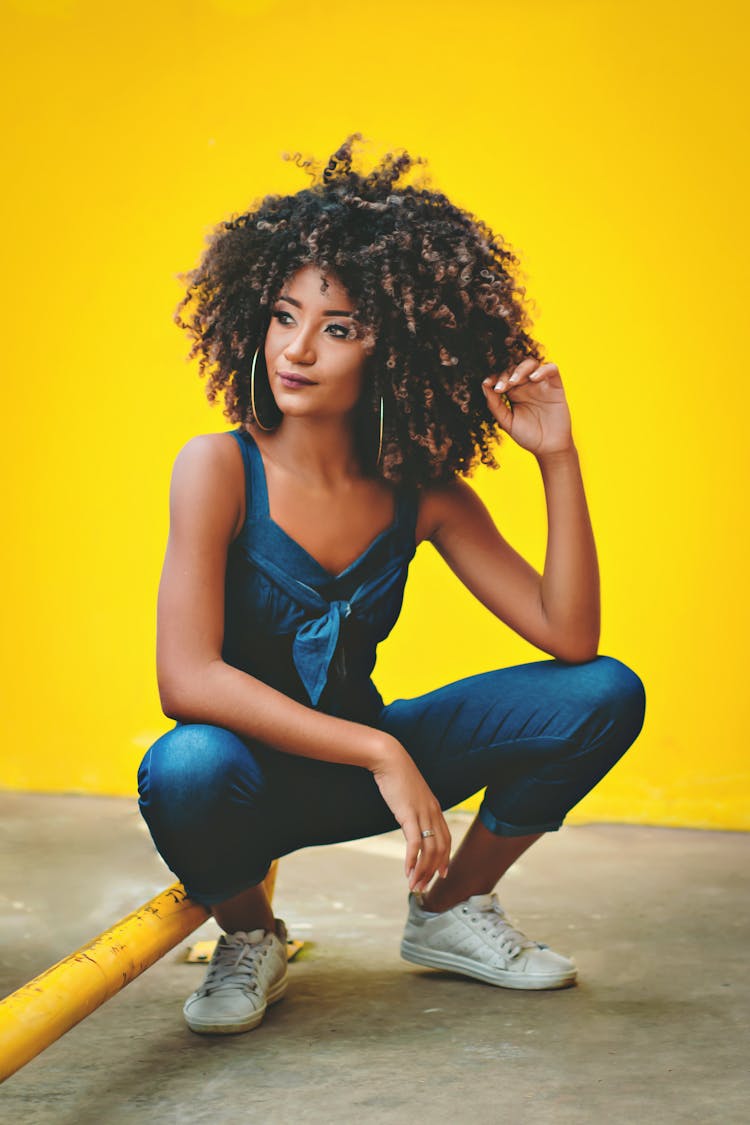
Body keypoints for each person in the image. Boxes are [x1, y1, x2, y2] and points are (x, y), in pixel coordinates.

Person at [137, 134, 646, 1036]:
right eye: (285, 315)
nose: (299, 349)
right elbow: (188, 679)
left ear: (393, 350)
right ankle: (251, 936)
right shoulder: (215, 468)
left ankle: (449, 907)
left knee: (605, 692)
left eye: (339, 328)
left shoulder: (422, 492)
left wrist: (558, 459)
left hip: (374, 767)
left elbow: (570, 640)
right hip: (258, 778)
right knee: (182, 763)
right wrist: (381, 754)